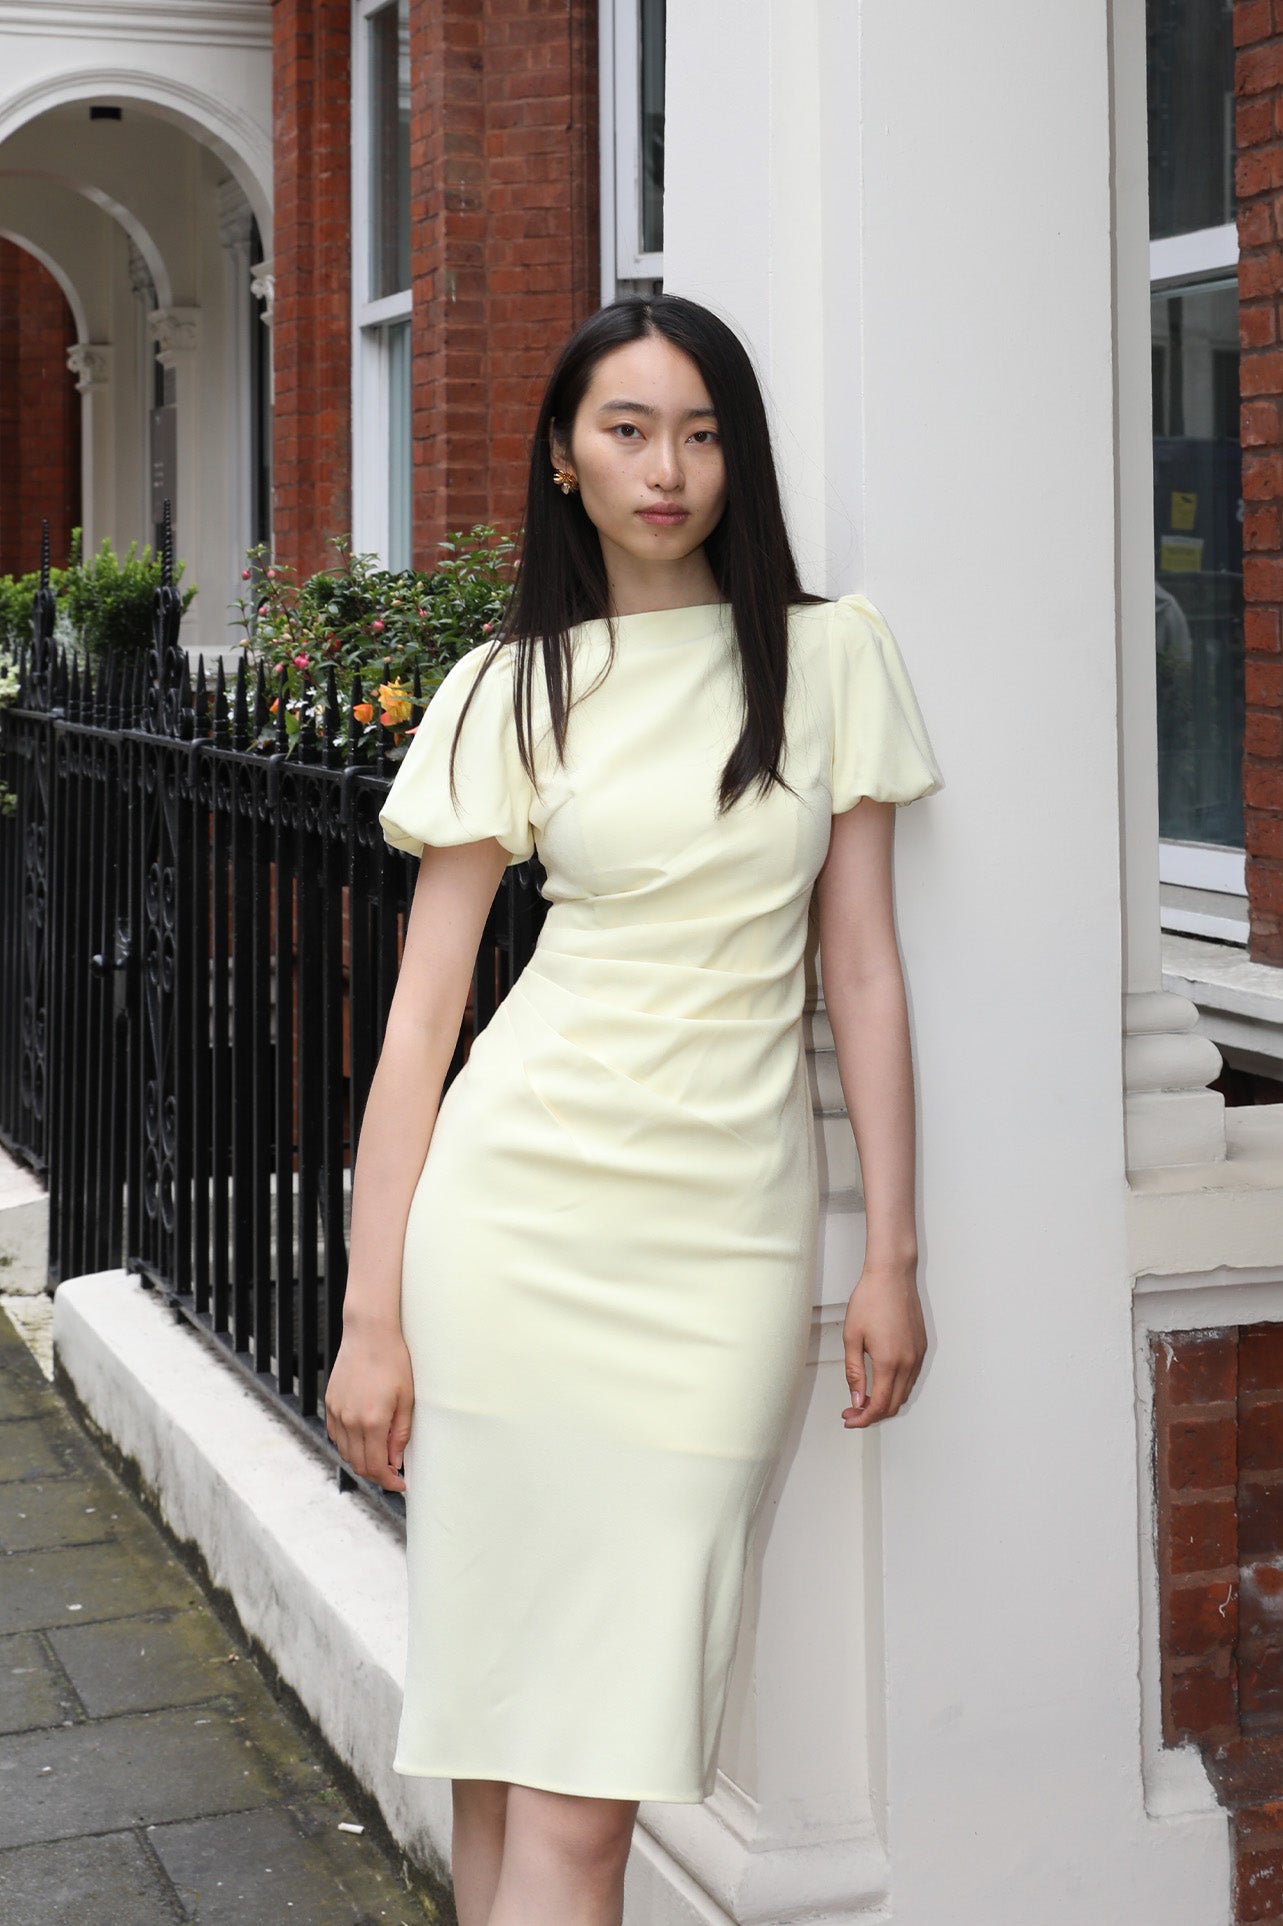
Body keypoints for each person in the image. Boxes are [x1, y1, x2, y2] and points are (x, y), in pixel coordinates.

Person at [324, 292, 944, 1926]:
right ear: (562, 457)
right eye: (628, 428)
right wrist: (371, 1309)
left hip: (714, 1258)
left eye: (704, 429)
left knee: (587, 1781)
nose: (668, 467)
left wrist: (892, 1253)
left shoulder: (828, 658)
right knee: (500, 1734)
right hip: (514, 1227)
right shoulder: (506, 685)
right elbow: (421, 1022)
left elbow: (863, 976)